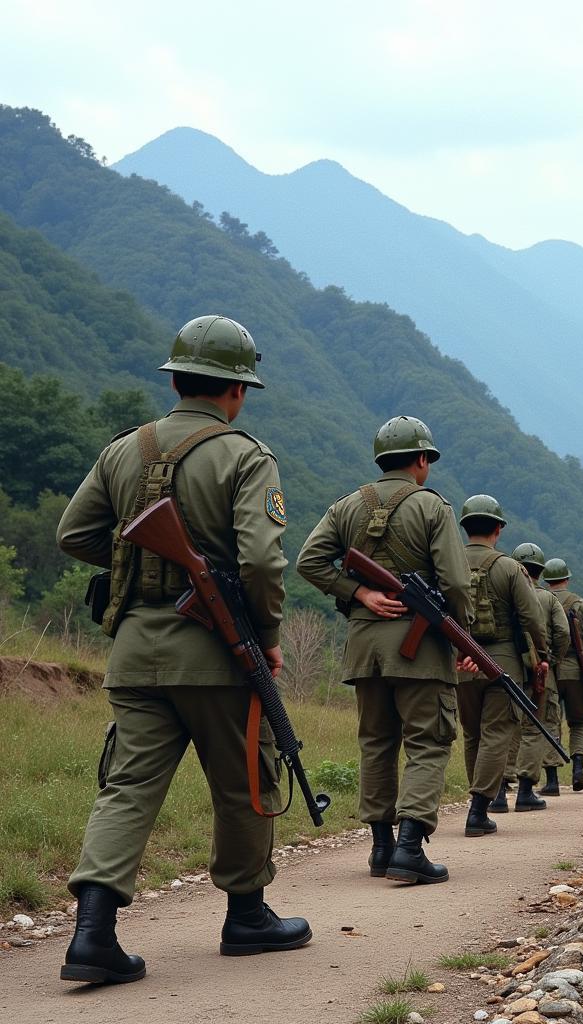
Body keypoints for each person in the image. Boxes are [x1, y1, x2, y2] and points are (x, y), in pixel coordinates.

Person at [55, 315, 311, 985]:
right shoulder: (246, 455)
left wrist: (138, 567)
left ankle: (92, 935)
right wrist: (270, 637)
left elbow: (76, 532)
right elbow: (260, 560)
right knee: (245, 782)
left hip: (135, 654)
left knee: (127, 789)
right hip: (218, 653)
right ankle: (248, 917)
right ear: (238, 390)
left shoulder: (124, 450)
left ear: (175, 379)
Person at [296, 416, 473, 884]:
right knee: (428, 741)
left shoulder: (347, 506)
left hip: (364, 648)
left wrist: (358, 594)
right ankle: (410, 848)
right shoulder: (432, 508)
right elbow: (455, 581)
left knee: (376, 742)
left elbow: (309, 560)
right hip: (420, 650)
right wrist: (463, 633)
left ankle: (381, 848)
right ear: (420, 460)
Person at [457, 496, 548, 834]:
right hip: (503, 664)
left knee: (472, 734)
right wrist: (543, 656)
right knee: (497, 732)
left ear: (465, 527)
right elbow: (532, 619)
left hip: (460, 662)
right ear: (498, 528)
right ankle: (480, 808)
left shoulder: (448, 562)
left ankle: (479, 799)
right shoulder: (510, 568)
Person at [505, 543, 570, 799]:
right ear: (541, 571)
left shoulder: (506, 594)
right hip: (542, 671)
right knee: (538, 725)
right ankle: (526, 790)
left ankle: (499, 790)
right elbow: (563, 633)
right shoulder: (548, 599)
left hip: (509, 668)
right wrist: (552, 660)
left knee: (507, 727)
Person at [542, 557, 583, 792]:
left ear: (548, 580)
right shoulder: (581, 604)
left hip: (549, 671)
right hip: (577, 670)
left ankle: (552, 780)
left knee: (550, 721)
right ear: (567, 578)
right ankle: (578, 769)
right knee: (578, 721)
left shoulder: (541, 601)